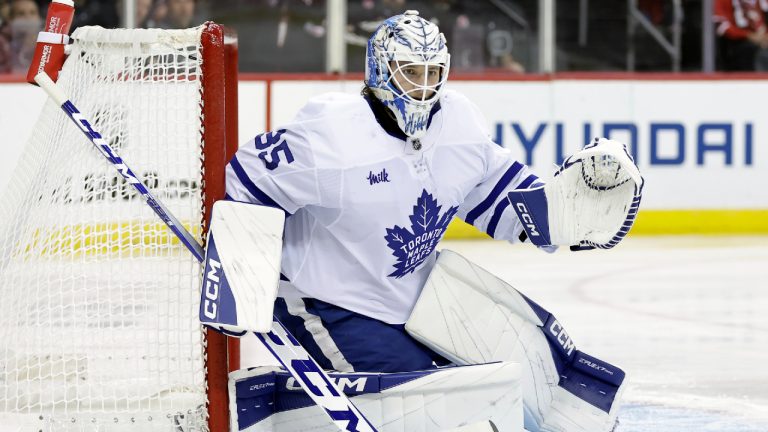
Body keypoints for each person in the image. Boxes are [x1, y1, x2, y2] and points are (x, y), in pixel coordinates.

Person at [225, 10, 640, 432]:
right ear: (379, 71)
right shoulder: (331, 132)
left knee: (532, 373)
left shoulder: (459, 122)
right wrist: (236, 280)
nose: (423, 87)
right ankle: (279, 411)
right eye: (409, 72)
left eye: (433, 72)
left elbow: (500, 198)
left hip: (420, 297)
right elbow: (247, 178)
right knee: (436, 408)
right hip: (330, 302)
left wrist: (567, 215)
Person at [714, 0, 768, 71]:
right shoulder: (723, 1)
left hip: (763, 39)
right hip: (738, 44)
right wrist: (748, 35)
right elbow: (722, 27)